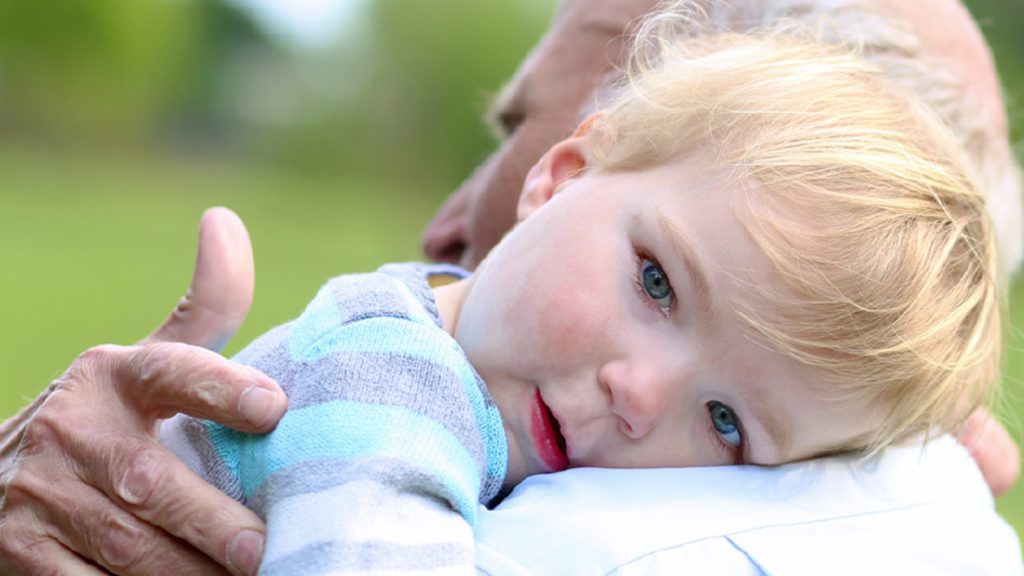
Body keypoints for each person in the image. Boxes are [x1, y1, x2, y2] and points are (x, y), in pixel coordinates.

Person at [0, 0, 1019, 574]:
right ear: (567, 172)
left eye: (725, 422)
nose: (638, 396)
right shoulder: (390, 378)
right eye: (655, 282)